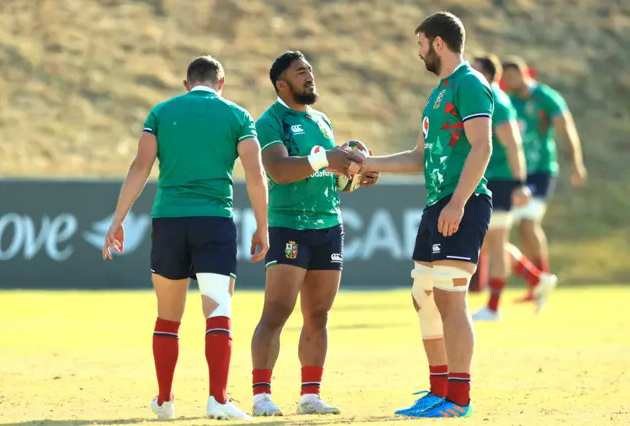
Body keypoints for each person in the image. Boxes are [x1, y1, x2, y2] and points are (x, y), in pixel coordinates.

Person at [101, 55, 269, 421]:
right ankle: (218, 400)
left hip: (169, 223)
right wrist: (262, 225)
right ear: (221, 83)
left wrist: (117, 220)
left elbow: (140, 166)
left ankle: (164, 401)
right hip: (214, 222)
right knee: (218, 311)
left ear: (186, 84)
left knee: (167, 318)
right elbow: (255, 174)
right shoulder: (238, 116)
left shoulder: (161, 112)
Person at [361, 12, 492, 418]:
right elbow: (419, 157)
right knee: (424, 295)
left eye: (420, 44)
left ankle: (460, 398)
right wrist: (369, 163)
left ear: (437, 43)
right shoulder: (439, 93)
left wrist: (458, 203)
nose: (418, 53)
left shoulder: (469, 84)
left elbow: (482, 148)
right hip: (437, 202)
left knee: (452, 299)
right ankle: (438, 391)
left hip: (461, 202)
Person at [249, 50, 377, 417]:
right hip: (289, 224)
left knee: (318, 314)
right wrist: (327, 159)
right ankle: (261, 396)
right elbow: (277, 170)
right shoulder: (271, 122)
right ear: (282, 84)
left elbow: (328, 180)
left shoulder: (322, 120)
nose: (309, 76)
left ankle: (310, 395)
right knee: (277, 310)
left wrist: (354, 180)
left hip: (328, 225)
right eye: (300, 71)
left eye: (310, 69)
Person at [470, 54, 557, 320]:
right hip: (488, 178)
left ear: (485, 74)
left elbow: (513, 145)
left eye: (473, 70)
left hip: (501, 180)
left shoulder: (498, 102)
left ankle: (494, 307)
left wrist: (520, 184)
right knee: (489, 242)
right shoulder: (485, 98)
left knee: (495, 243)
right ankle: (536, 278)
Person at [501, 56, 587, 302]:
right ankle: (538, 281)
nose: (507, 82)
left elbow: (566, 129)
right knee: (516, 230)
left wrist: (576, 164)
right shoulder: (508, 101)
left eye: (510, 77)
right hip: (516, 172)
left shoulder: (546, 98)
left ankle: (543, 278)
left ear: (523, 73)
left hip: (541, 171)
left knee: (528, 223)